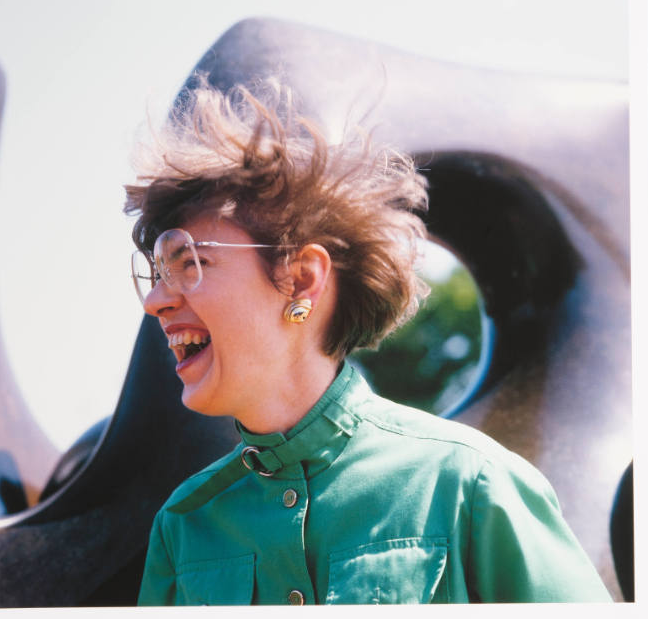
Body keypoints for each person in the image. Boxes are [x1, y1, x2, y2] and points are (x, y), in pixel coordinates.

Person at [125, 77, 611, 605]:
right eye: (156, 275)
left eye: (190, 262)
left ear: (303, 278)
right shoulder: (183, 529)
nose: (156, 302)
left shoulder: (470, 485)